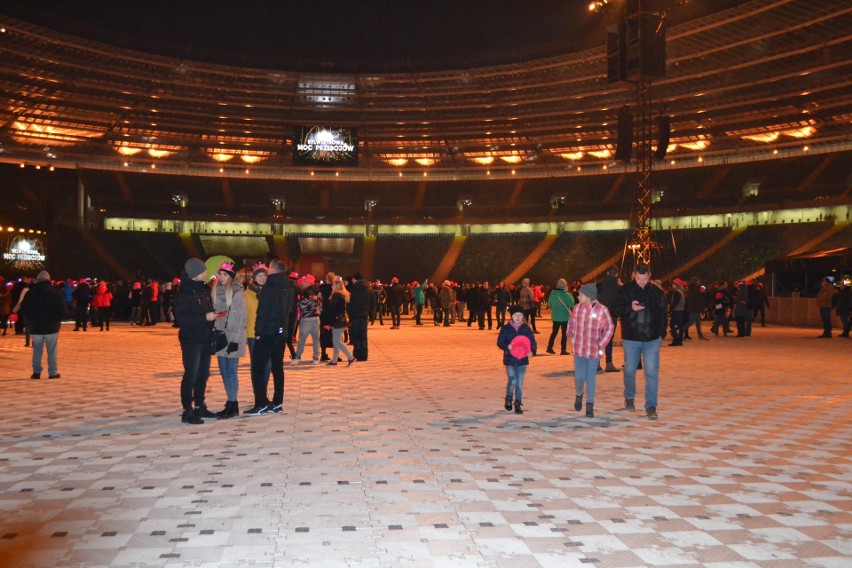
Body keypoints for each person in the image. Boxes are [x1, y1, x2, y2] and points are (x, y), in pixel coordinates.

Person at [612, 263, 667, 420]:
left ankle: (651, 406)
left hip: (652, 339)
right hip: (631, 338)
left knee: (651, 372)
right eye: (639, 278)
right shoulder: (625, 290)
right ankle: (629, 397)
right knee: (629, 370)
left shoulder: (657, 292)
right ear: (633, 275)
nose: (642, 281)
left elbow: (663, 313)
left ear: (649, 276)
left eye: (645, 278)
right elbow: (615, 310)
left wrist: (661, 334)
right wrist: (630, 308)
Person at [245, 259, 294, 415]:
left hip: (267, 332)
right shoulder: (288, 287)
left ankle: (261, 404)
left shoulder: (269, 287)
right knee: (277, 368)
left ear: (272, 269)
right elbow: (289, 312)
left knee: (257, 368)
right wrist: (285, 331)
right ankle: (277, 402)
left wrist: (258, 332)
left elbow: (263, 312)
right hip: (281, 332)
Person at [174, 258, 220, 424]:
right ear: (195, 273)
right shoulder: (184, 293)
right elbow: (182, 319)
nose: (206, 273)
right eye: (203, 270)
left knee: (203, 374)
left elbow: (206, 311)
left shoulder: (204, 289)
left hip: (205, 337)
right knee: (191, 375)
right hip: (191, 339)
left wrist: (213, 315)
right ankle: (187, 410)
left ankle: (200, 405)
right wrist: (204, 317)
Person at [567, 283, 614, 418]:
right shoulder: (577, 308)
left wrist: (602, 343)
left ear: (588, 296)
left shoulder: (602, 310)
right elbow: (571, 322)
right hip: (579, 349)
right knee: (579, 377)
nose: (578, 296)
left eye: (581, 294)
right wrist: (570, 332)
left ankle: (590, 405)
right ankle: (579, 394)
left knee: (591, 378)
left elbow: (609, 327)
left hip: (593, 350)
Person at [211, 261, 247, 419]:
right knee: (223, 372)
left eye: (225, 274)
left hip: (233, 337)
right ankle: (230, 402)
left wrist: (235, 340)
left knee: (231, 372)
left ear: (231, 277)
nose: (221, 277)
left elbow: (241, 319)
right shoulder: (215, 291)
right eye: (220, 274)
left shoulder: (238, 293)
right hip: (219, 336)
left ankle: (233, 403)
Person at [19, 271, 65, 380]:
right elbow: (62, 309)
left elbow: (24, 308)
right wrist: (57, 320)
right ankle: (52, 372)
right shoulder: (55, 291)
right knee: (52, 351)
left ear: (38, 279)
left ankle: (36, 372)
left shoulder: (30, 292)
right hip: (51, 327)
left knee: (37, 351)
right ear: (48, 279)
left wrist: (31, 319)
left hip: (36, 326)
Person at [496, 305, 537, 415]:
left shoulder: (526, 329)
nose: (518, 317)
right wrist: (506, 346)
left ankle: (518, 403)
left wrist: (532, 350)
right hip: (510, 358)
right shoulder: (506, 328)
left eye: (520, 315)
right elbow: (500, 342)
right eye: (515, 315)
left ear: (523, 316)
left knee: (519, 383)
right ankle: (509, 398)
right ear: (511, 316)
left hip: (522, 359)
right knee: (512, 380)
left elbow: (532, 341)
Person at [245, 263, 271, 404]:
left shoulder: (270, 292)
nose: (262, 277)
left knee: (268, 365)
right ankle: (259, 394)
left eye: (264, 275)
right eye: (259, 275)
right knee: (257, 365)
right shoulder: (247, 294)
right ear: (254, 277)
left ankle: (263, 392)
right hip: (253, 334)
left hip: (268, 333)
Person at [292, 275, 321, 365]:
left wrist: (298, 303)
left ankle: (298, 357)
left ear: (309, 282)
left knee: (302, 339)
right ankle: (316, 358)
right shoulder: (318, 292)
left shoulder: (305, 293)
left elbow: (302, 305)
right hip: (316, 318)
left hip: (306, 319)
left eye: (304, 282)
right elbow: (320, 304)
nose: (302, 283)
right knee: (316, 339)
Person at [596, 266, 621, 371]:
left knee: (598, 338)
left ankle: (596, 363)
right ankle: (609, 363)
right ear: (616, 274)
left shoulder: (599, 284)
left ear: (607, 273)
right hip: (612, 315)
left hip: (599, 314)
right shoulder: (619, 286)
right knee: (609, 339)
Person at [326, 278, 356, 366]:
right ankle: (334, 360)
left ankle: (351, 358)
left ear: (337, 286)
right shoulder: (343, 294)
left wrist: (330, 321)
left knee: (337, 341)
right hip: (342, 319)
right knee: (336, 340)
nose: (331, 286)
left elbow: (335, 310)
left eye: (333, 284)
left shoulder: (336, 295)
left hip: (337, 320)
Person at [546, 278, 574, 355]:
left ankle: (549, 347)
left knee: (554, 332)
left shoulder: (553, 293)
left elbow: (549, 304)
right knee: (564, 333)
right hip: (564, 317)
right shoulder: (566, 294)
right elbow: (571, 304)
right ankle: (563, 350)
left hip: (555, 316)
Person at [348, 273, 370, 360]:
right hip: (364, 314)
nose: (352, 281)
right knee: (363, 335)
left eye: (353, 279)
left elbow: (350, 302)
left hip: (355, 315)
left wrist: (350, 313)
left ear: (356, 279)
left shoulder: (354, 288)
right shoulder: (368, 288)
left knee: (356, 335)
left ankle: (357, 355)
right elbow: (373, 301)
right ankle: (364, 355)